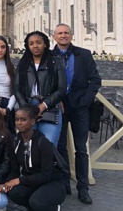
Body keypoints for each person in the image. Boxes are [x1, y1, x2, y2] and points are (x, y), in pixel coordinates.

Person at [52, 24, 101, 204]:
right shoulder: (49, 56)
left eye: (66, 33)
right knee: (60, 147)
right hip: (60, 107)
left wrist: (85, 101)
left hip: (80, 107)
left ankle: (83, 187)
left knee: (81, 148)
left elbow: (95, 80)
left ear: (71, 35)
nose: (63, 36)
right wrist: (56, 101)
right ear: (54, 37)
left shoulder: (84, 54)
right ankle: (65, 183)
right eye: (60, 33)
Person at [1, 104, 66, 211]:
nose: (19, 123)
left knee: (37, 202)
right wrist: (6, 183)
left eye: (23, 120)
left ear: (32, 121)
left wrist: (19, 180)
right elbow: (14, 171)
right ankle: (33, 208)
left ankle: (54, 208)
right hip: (31, 181)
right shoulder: (14, 142)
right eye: (17, 119)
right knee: (13, 192)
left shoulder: (43, 143)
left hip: (52, 183)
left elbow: (46, 175)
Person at [14, 31, 66, 146]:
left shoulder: (56, 62)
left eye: (38, 43)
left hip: (49, 106)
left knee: (48, 145)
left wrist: (42, 107)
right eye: (31, 43)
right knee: (27, 147)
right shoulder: (23, 63)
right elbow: (17, 89)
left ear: (45, 44)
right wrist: (27, 109)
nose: (35, 46)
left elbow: (62, 88)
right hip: (27, 106)